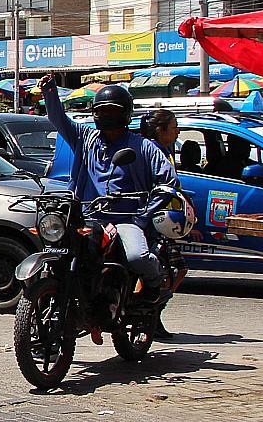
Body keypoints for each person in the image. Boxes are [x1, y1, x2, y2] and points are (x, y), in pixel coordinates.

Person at [42, 74, 178, 340]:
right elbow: (59, 120)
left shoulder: (144, 147)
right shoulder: (86, 138)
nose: (105, 116)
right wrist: (49, 93)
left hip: (127, 219)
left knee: (137, 257)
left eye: (111, 111)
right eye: (100, 111)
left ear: (125, 115)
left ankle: (154, 284)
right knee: (57, 250)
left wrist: (144, 216)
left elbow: (167, 182)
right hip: (88, 217)